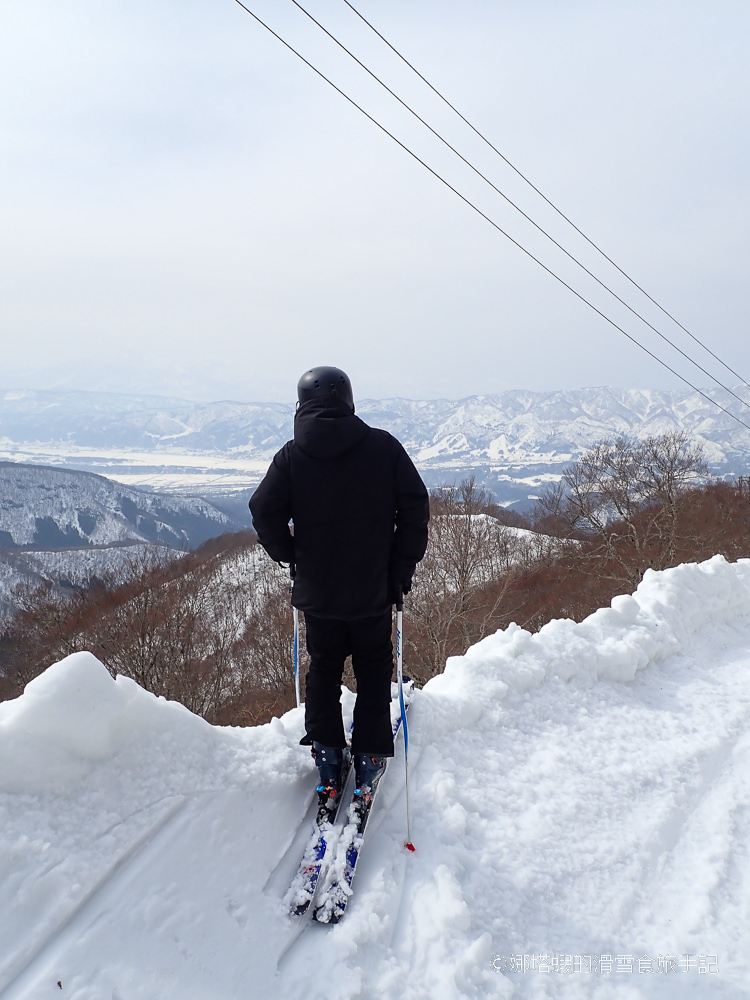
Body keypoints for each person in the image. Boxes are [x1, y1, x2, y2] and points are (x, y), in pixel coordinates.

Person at [249, 366, 429, 807]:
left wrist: (290, 555)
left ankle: (328, 756)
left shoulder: (292, 456)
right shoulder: (382, 448)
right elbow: (415, 509)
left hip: (318, 592)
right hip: (372, 591)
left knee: (324, 669)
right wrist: (400, 570)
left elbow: (263, 510)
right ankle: (369, 757)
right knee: (372, 670)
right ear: (348, 400)